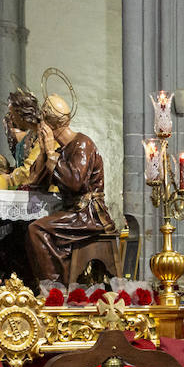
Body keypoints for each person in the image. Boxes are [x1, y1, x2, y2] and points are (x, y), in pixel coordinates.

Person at [24, 93, 117, 285]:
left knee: (37, 230)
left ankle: (57, 287)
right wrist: (44, 152)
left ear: (48, 125)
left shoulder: (82, 144)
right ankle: (52, 284)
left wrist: (51, 154)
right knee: (29, 230)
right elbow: (34, 182)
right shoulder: (61, 150)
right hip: (74, 213)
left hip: (89, 214)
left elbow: (75, 182)